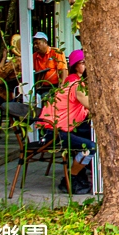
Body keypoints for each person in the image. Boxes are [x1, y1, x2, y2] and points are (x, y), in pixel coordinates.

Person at [38, 49, 93, 194]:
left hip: (58, 128)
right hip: (53, 131)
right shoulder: (77, 86)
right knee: (90, 147)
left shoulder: (77, 85)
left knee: (88, 137)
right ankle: (71, 177)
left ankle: (82, 173)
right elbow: (94, 107)